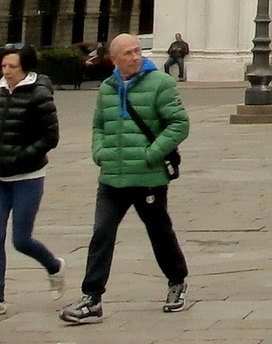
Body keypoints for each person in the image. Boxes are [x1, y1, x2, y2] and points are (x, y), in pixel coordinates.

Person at [59, 34, 190, 324]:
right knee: (102, 233)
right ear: (114, 59)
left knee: (159, 232)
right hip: (112, 177)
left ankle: (177, 281)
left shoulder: (161, 84)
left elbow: (179, 124)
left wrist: (150, 154)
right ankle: (92, 298)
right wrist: (100, 152)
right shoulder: (107, 88)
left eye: (137, 51)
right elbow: (99, 125)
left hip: (148, 177)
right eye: (127, 53)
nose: (135, 57)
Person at [0, 45, 64, 318]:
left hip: (28, 176)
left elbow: (51, 137)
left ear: (25, 68)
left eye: (12, 66)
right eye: (3, 66)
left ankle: (54, 266)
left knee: (21, 239)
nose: (6, 71)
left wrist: (24, 156)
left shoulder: (40, 94)